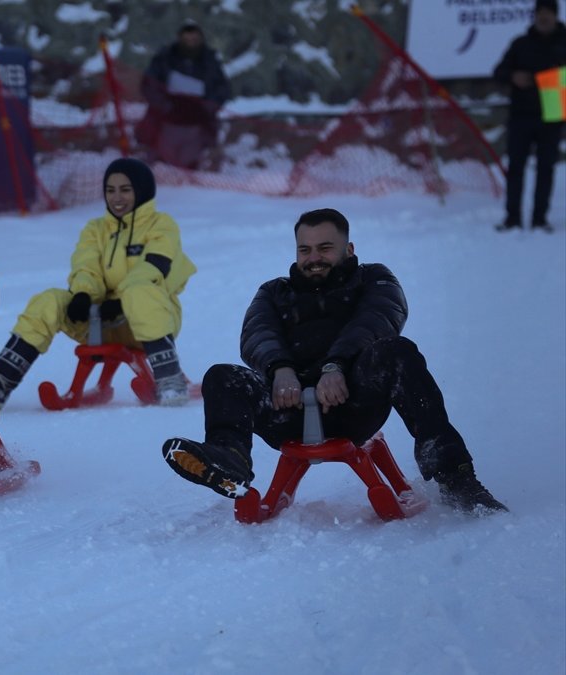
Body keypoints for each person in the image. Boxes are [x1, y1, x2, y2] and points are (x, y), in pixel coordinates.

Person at [161, 208, 507, 515]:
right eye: (305, 250)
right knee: (223, 376)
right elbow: (257, 333)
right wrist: (280, 368)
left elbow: (377, 320)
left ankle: (455, 476)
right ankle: (228, 460)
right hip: (288, 409)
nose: (314, 258)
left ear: (349, 249)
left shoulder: (375, 279)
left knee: (397, 352)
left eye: (325, 248)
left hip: (353, 405)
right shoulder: (274, 292)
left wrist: (336, 366)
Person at [0, 157, 197, 409]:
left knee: (140, 291)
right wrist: (83, 295)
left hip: (151, 320)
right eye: (110, 190)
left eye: (125, 190)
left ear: (141, 191)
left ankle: (169, 378)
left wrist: (121, 301)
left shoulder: (161, 225)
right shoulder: (96, 229)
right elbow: (86, 266)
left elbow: (154, 267)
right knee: (49, 300)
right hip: (101, 321)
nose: (117, 197)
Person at [493, 0, 566, 231]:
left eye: (548, 13)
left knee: (546, 170)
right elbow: (499, 72)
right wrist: (513, 76)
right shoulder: (520, 44)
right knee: (515, 169)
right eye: (540, 13)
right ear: (534, 16)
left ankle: (540, 219)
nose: (544, 17)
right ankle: (512, 218)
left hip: (552, 116)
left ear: (555, 16)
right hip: (521, 116)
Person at [136, 19, 231, 170]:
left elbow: (222, 89)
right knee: (160, 161)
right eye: (187, 39)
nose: (191, 42)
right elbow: (148, 85)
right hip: (166, 119)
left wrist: (206, 107)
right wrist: (165, 106)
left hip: (198, 122)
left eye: (194, 39)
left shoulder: (210, 61)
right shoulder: (165, 58)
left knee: (190, 163)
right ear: (180, 38)